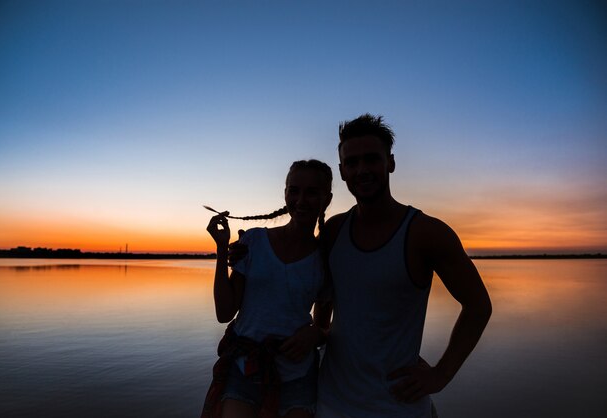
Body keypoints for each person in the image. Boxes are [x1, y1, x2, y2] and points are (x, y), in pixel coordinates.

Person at [313, 114, 493, 418]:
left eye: (372, 159)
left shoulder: (426, 233)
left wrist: (441, 375)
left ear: (390, 162)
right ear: (342, 171)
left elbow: (478, 306)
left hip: (398, 406)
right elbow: (323, 296)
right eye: (352, 162)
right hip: (331, 403)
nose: (362, 170)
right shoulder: (333, 230)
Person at [201, 159, 333, 418]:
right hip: (244, 368)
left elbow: (323, 326)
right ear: (285, 194)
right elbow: (225, 312)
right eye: (294, 190)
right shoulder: (254, 241)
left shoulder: (326, 260)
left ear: (326, 199)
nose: (301, 199)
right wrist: (221, 248)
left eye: (311, 192)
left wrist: (314, 335)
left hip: (298, 375)